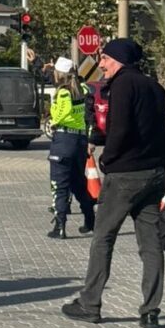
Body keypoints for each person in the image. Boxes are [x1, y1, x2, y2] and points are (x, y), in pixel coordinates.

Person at [61, 37, 165, 328]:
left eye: (106, 59)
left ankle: (90, 304)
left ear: (119, 60)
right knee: (150, 244)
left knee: (103, 237)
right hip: (154, 174)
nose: (102, 65)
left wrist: (107, 161)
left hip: (125, 176)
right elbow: (163, 133)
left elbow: (119, 129)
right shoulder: (155, 87)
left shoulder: (123, 85)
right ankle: (151, 311)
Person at [47, 57, 96, 239]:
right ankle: (90, 218)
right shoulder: (83, 89)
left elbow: (63, 112)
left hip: (64, 139)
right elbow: (89, 114)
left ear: (60, 74)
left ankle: (60, 225)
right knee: (78, 183)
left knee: (59, 184)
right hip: (80, 140)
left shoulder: (63, 92)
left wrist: (53, 119)